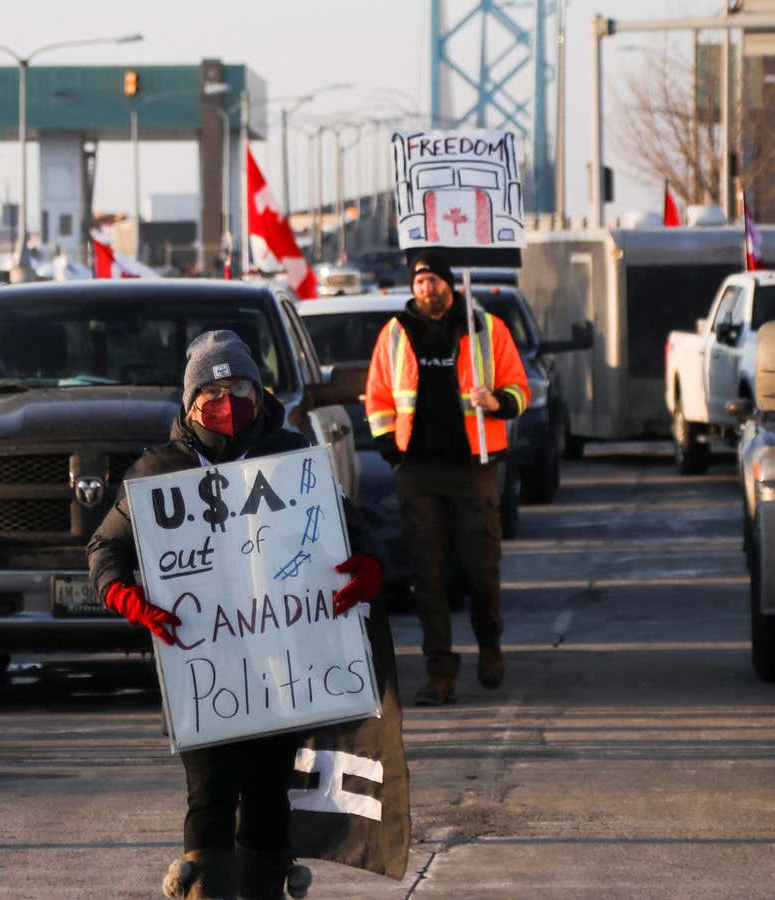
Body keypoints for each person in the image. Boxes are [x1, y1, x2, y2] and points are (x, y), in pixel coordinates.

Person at [87, 330, 384, 900]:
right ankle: (208, 886)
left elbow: (358, 528)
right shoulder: (156, 470)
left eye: (240, 387)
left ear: (258, 391)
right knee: (210, 790)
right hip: (202, 668)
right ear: (190, 401)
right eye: (213, 391)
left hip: (285, 668)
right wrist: (124, 596)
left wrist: (368, 565)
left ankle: (266, 886)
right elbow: (105, 549)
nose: (226, 402)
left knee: (272, 787)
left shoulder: (293, 457)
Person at [365, 247, 530, 706]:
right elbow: (378, 397)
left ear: (450, 284)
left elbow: (519, 387)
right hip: (417, 473)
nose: (426, 289)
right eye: (419, 282)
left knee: (481, 570)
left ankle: (490, 647)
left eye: (433, 281)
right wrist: (390, 451)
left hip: (473, 468)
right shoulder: (395, 334)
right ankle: (440, 674)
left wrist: (496, 401)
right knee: (427, 578)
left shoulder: (485, 328)